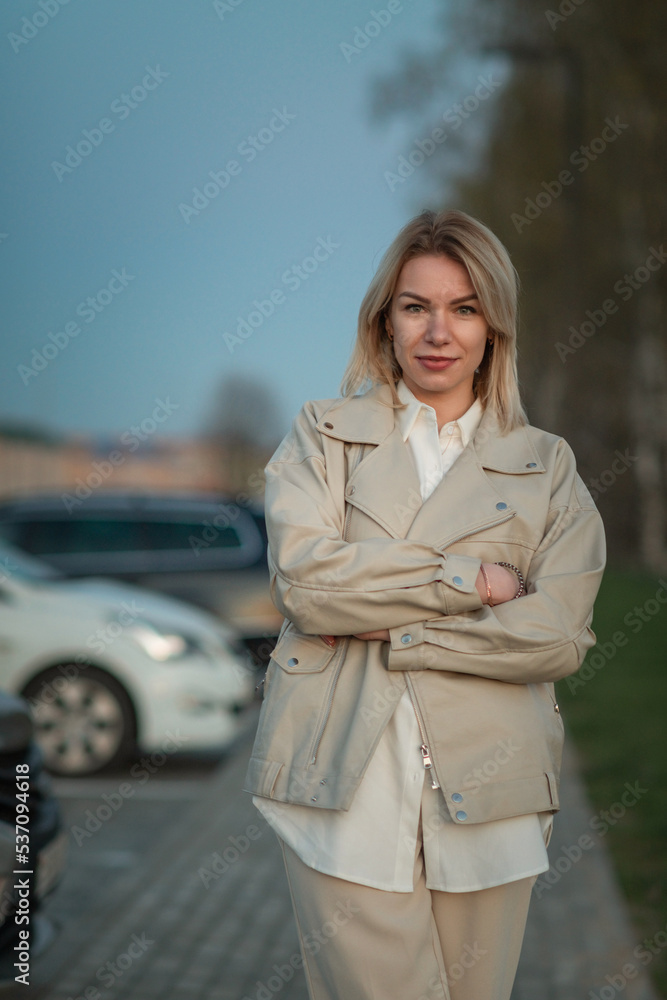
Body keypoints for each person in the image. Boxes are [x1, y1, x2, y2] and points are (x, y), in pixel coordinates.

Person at [244, 208, 606, 1000]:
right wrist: (470, 583)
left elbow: (556, 637)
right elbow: (307, 585)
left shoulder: (545, 466)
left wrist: (396, 631)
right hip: (338, 791)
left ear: (493, 326)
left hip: (494, 793)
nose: (438, 332)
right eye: (416, 306)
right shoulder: (322, 436)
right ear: (386, 319)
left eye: (464, 308)